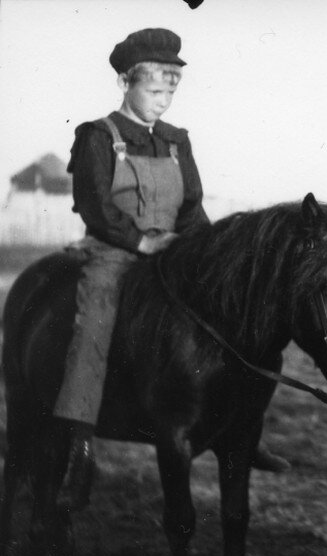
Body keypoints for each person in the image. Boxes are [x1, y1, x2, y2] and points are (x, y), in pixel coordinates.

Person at [55, 28, 289, 509]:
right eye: (154, 90)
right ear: (125, 82)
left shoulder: (177, 141)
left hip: (175, 251)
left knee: (236, 318)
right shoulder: (98, 137)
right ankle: (78, 445)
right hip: (115, 252)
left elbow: (193, 208)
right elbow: (95, 206)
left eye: (170, 91)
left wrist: (203, 251)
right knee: (95, 319)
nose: (163, 102)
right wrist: (141, 240)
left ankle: (246, 429)